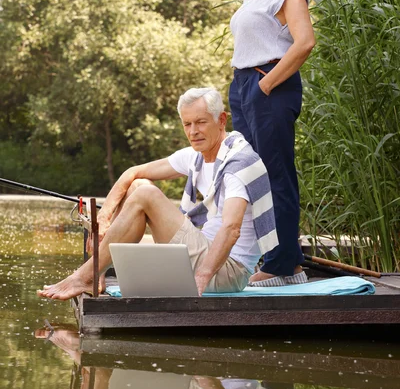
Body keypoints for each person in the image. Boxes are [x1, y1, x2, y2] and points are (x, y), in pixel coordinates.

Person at [37, 87, 278, 300]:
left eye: (201, 122)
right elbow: (132, 173)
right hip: (205, 251)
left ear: (221, 120)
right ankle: (96, 271)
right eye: (187, 124)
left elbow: (231, 229)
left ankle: (84, 276)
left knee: (147, 196)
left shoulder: (238, 165)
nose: (193, 131)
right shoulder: (197, 156)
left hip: (226, 272)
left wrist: (200, 280)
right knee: (139, 186)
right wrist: (104, 218)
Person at [229, 0, 316, 287]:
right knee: (251, 176)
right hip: (245, 84)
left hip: (269, 86)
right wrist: (248, 88)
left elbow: (305, 43)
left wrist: (265, 86)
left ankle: (279, 263)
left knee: (273, 175)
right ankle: (289, 262)